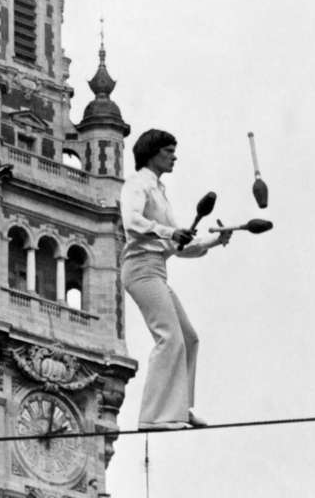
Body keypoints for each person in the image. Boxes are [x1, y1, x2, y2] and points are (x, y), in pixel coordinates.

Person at [120, 128, 232, 430]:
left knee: (189, 338)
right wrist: (170, 232)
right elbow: (131, 222)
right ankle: (155, 417)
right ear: (153, 153)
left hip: (156, 268)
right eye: (169, 151)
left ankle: (180, 408)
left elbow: (176, 246)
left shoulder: (159, 190)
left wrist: (214, 241)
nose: (174, 156)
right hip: (140, 268)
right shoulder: (136, 184)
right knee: (169, 338)